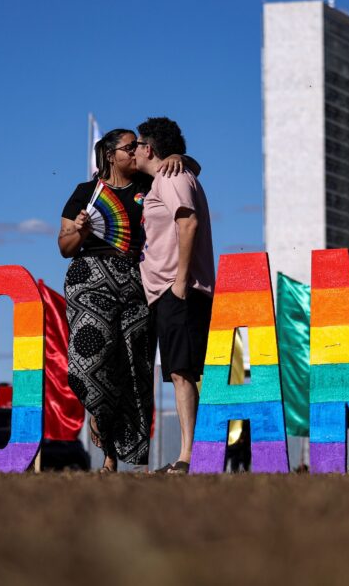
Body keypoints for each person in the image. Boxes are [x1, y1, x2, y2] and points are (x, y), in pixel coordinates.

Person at [58, 128, 194, 472]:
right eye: (129, 147)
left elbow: (191, 172)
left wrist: (180, 158)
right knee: (89, 363)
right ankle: (99, 418)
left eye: (139, 146)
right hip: (89, 278)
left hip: (136, 280)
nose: (137, 151)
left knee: (134, 367)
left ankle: (110, 458)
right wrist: (80, 231)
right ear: (110, 154)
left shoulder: (148, 185)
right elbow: (64, 247)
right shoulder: (85, 192)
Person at [133, 117, 215, 474]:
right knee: (179, 372)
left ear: (149, 149)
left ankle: (187, 457)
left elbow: (188, 222)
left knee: (183, 372)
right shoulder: (166, 176)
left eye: (137, 145)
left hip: (177, 290)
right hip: (164, 292)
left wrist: (180, 282)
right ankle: (188, 455)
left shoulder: (171, 177)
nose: (133, 150)